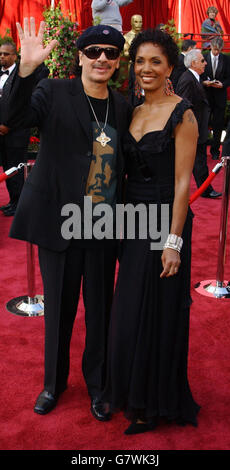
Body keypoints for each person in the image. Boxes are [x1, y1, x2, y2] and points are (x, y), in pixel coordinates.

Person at [7, 19, 132, 419]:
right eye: (93, 51)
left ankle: (98, 386)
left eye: (110, 53)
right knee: (59, 308)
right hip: (58, 220)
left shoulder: (125, 104)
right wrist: (25, 71)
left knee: (101, 309)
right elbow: (15, 118)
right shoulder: (53, 90)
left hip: (103, 224)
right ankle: (53, 384)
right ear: (80, 56)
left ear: (117, 61)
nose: (102, 59)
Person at [102, 28, 200, 434]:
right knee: (129, 306)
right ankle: (127, 389)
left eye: (155, 61)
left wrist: (173, 243)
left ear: (170, 68)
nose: (146, 68)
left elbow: (182, 183)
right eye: (140, 60)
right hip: (131, 219)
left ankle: (154, 400)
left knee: (159, 309)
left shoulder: (184, 113)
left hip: (166, 219)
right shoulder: (131, 110)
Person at [0, 41, 49, 216]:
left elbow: (22, 105)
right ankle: (13, 200)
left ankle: (20, 203)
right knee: (6, 168)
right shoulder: (1, 75)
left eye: (6, 54)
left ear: (15, 56)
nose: (2, 57)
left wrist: (8, 125)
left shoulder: (25, 75)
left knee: (16, 169)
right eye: (1, 54)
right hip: (2, 133)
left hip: (16, 132)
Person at [176, 49, 221, 198]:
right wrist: (191, 128)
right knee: (199, 161)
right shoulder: (187, 79)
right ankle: (205, 190)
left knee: (199, 160)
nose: (205, 63)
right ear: (194, 63)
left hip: (197, 128)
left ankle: (205, 190)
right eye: (202, 61)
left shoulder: (193, 78)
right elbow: (183, 105)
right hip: (193, 130)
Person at [201, 37, 230, 160]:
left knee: (218, 125)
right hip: (206, 96)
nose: (216, 52)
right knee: (204, 124)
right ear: (210, 46)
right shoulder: (203, 57)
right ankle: (202, 150)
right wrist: (204, 82)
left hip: (220, 97)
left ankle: (215, 151)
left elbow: (229, 77)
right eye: (214, 49)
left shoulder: (226, 59)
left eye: (218, 50)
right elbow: (198, 74)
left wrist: (222, 84)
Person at [123, 14, 144, 107]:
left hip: (144, 66)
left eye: (140, 22)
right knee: (133, 88)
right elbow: (125, 53)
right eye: (136, 22)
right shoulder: (127, 37)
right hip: (132, 65)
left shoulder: (144, 36)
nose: (138, 24)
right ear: (131, 23)